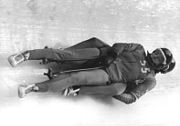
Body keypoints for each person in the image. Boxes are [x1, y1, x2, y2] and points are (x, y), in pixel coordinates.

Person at [8, 37, 176, 104]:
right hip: (104, 56)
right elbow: (120, 46)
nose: (154, 56)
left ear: (162, 67)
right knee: (68, 54)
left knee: (76, 77)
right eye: (156, 53)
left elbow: (131, 98)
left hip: (108, 75)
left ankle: (34, 87)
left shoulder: (150, 79)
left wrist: (116, 91)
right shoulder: (139, 49)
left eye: (159, 58)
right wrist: (113, 54)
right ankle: (26, 55)